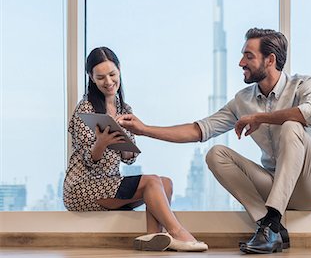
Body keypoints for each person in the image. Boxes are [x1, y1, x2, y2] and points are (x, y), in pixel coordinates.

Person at [117, 28, 311, 254]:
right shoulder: (243, 100)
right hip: (273, 184)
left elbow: (310, 114)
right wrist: (144, 129)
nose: (241, 62)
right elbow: (198, 130)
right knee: (216, 153)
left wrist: (259, 118)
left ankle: (272, 221)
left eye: (249, 56)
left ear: (270, 60)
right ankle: (269, 226)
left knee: (291, 126)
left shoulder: (305, 84)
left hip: (310, 187)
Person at [63, 46, 208, 252]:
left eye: (112, 74)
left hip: (108, 182)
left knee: (165, 183)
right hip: (82, 187)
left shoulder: (124, 109)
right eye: (101, 77)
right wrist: (102, 143)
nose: (109, 82)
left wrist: (124, 140)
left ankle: (152, 237)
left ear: (119, 70)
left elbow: (129, 159)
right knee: (151, 181)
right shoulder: (85, 109)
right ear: (91, 78)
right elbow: (89, 161)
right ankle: (177, 232)